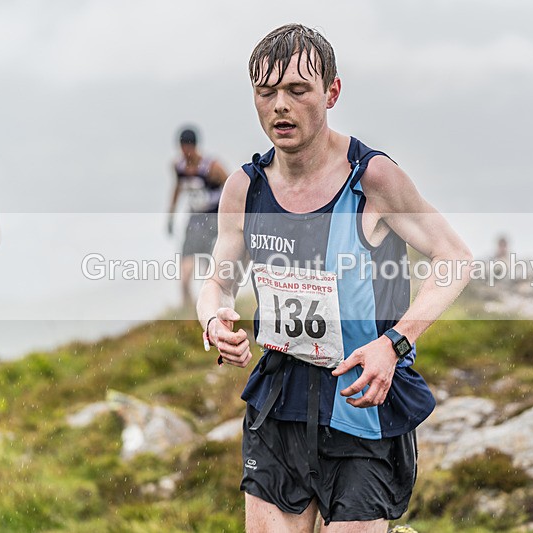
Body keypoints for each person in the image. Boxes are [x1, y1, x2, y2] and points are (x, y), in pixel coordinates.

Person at [196, 24, 472, 532]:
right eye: (266, 92)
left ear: (332, 92)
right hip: (279, 404)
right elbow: (217, 281)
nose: (281, 105)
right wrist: (213, 320)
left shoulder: (372, 178)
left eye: (297, 90)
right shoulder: (244, 189)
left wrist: (394, 344)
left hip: (361, 405)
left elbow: (455, 258)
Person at [166, 127, 228, 307]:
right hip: (194, 219)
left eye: (189, 148)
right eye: (183, 147)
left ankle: (210, 306)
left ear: (195, 146)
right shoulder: (179, 167)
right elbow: (177, 188)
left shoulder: (211, 167)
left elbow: (232, 187)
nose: (186, 152)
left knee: (208, 268)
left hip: (213, 219)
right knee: (184, 273)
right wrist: (170, 216)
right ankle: (187, 310)